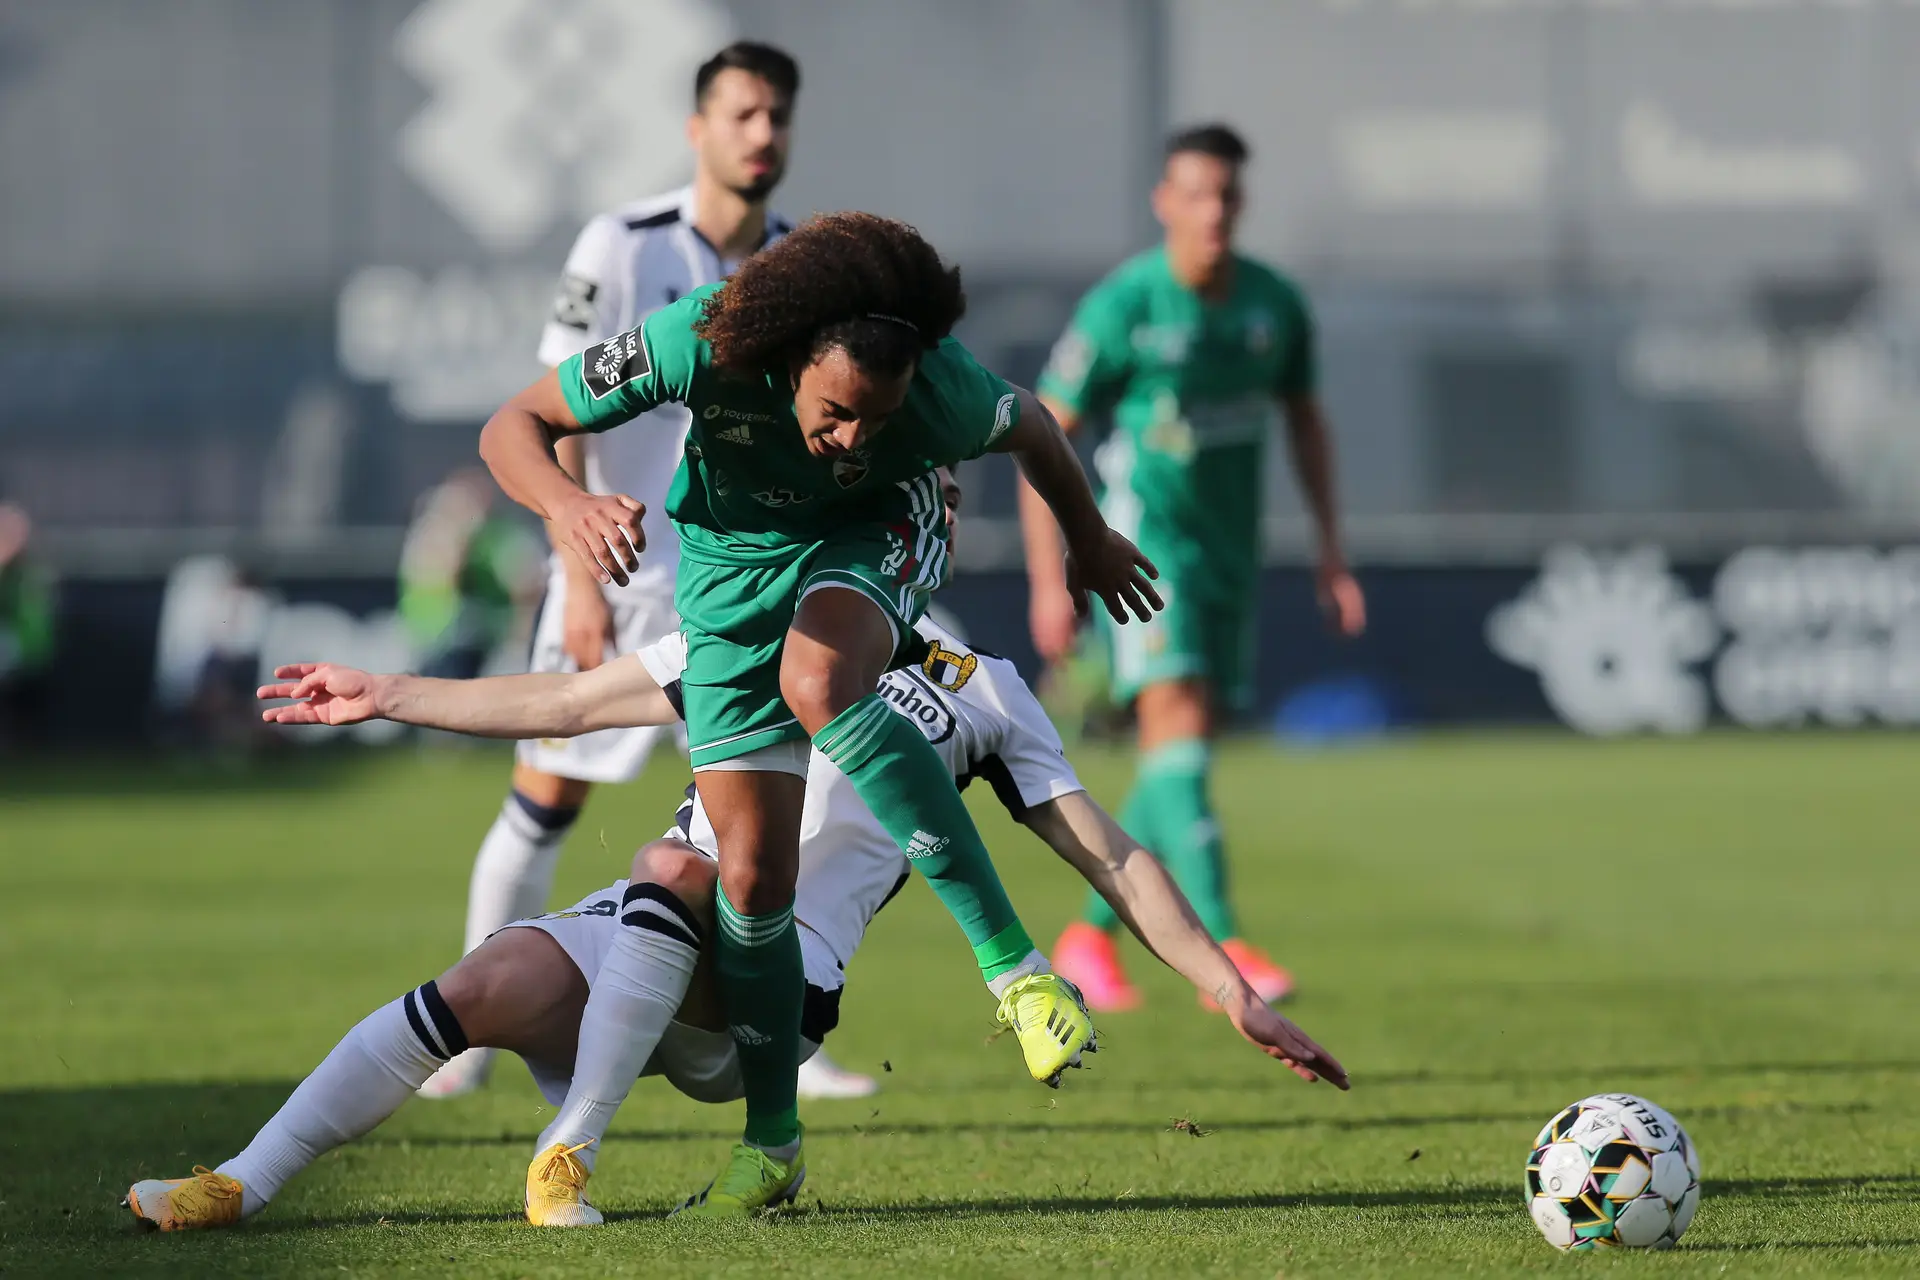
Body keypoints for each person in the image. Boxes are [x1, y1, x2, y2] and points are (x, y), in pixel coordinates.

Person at [120, 492, 1344, 1233]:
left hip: (776, 987)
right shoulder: (761, 619)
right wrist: (384, 691)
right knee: (478, 986)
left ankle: (569, 1157)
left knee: (674, 860)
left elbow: (1115, 856)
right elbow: (566, 696)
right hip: (660, 910)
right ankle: (239, 1181)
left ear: (932, 532)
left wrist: (1224, 983)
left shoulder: (987, 692)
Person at [476, 220, 1162, 1215]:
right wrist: (565, 509)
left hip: (873, 537)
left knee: (821, 682)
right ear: (790, 357)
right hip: (726, 570)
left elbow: (1039, 431)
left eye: (877, 420)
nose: (854, 437)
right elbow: (514, 424)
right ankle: (774, 1141)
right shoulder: (700, 338)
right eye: (837, 412)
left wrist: (1090, 538)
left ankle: (1013, 969)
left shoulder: (937, 392)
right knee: (752, 881)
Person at [429, 41, 810, 1099]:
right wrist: (579, 575)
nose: (762, 133)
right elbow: (550, 406)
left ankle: (778, 1033)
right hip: (621, 571)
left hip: (738, 591)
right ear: (698, 129)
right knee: (543, 800)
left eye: (777, 115)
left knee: (755, 826)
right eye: (742, 114)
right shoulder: (625, 243)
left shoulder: (797, 267)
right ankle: (467, 1029)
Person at [1020, 123, 1366, 1014]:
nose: (1213, 211)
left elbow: (1308, 423)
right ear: (1165, 202)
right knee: (1175, 721)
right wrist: (1047, 574)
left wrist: (1331, 553)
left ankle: (1088, 939)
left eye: (1228, 196)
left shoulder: (1272, 306)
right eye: (1197, 194)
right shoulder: (1124, 307)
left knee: (1179, 745)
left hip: (1227, 553)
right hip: (1143, 546)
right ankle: (1225, 934)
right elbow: (1041, 433)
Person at [397, 468, 544, 682]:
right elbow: (442, 574)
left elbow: (528, 583)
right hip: (434, 641)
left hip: (485, 644)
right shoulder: (432, 535)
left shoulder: (500, 537)